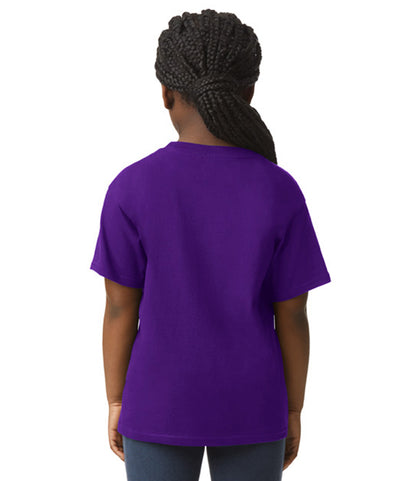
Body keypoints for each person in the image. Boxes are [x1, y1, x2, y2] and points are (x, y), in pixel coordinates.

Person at [90, 9, 331, 481]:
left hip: (157, 399)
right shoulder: (278, 189)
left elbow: (120, 309)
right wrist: (293, 408)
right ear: (249, 93)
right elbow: (293, 314)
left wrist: (117, 400)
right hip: (254, 401)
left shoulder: (131, 187)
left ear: (166, 93)